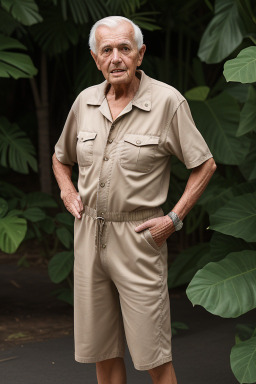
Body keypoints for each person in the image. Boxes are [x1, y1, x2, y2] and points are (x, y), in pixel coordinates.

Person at [52, 15, 216, 384]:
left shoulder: (167, 102)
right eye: (106, 50)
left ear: (140, 54)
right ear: (96, 59)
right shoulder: (85, 102)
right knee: (103, 354)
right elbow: (60, 158)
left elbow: (205, 164)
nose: (116, 58)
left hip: (140, 237)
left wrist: (173, 219)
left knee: (153, 356)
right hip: (88, 236)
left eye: (124, 49)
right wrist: (67, 189)